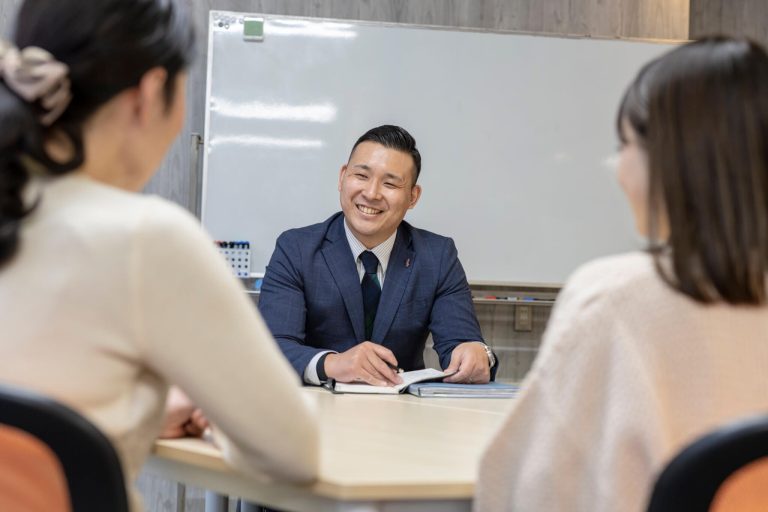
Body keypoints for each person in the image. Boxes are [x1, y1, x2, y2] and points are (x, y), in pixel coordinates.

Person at [0, 0, 318, 509]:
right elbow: (293, 451)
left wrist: (133, 407)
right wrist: (219, 417)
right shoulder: (146, 240)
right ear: (149, 94)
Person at [474, 36, 768, 512]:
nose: (618, 171)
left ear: (672, 158)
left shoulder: (615, 300)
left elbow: (527, 493)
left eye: (624, 145)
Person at [259, 125, 497, 387]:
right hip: (316, 410)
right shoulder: (296, 249)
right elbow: (273, 346)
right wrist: (333, 363)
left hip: (406, 416)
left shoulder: (437, 256)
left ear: (412, 197)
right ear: (342, 178)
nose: (371, 194)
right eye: (361, 176)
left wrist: (476, 354)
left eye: (390, 183)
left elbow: (460, 343)